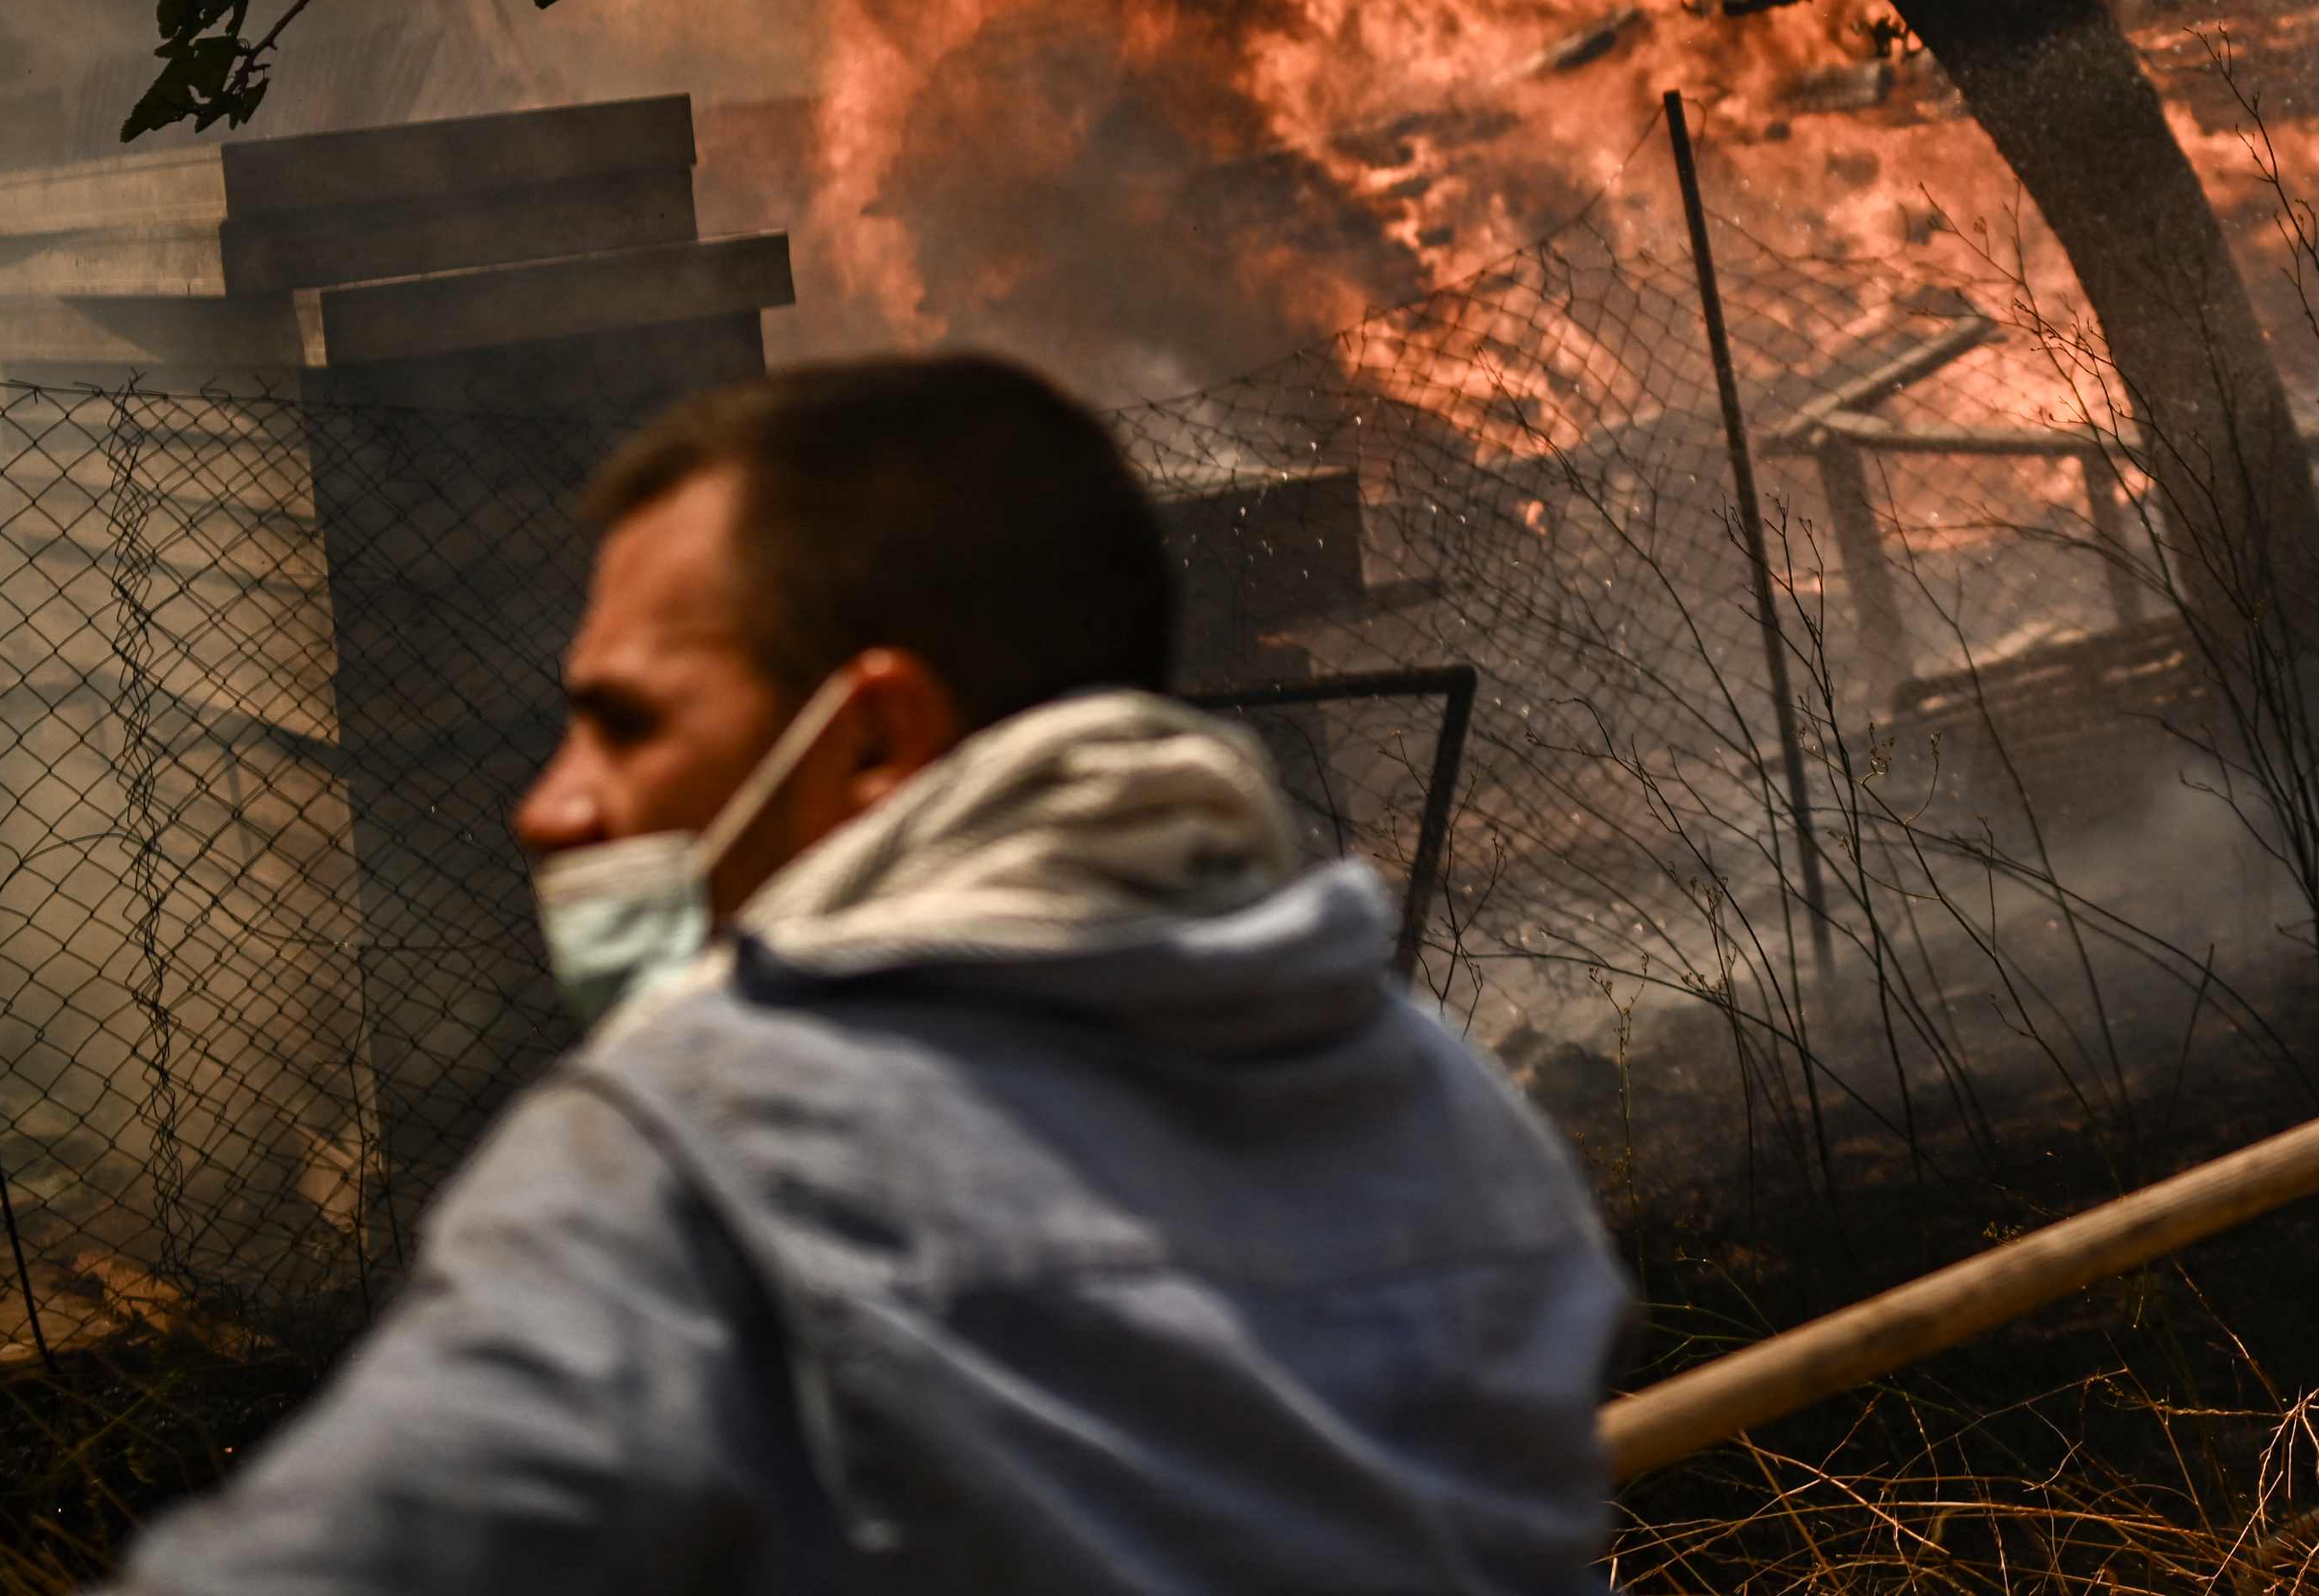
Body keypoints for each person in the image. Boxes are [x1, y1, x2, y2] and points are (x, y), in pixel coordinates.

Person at [108, 356, 1628, 1596]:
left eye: (628, 724)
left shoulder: (701, 1163)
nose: (549, 803)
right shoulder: (1455, 1126)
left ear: (877, 743)